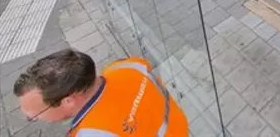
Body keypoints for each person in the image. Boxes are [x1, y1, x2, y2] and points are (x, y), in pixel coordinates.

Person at [13, 48, 188, 136]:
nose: (35, 119)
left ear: (68, 101)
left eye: (33, 116)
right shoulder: (125, 66)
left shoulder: (91, 133)